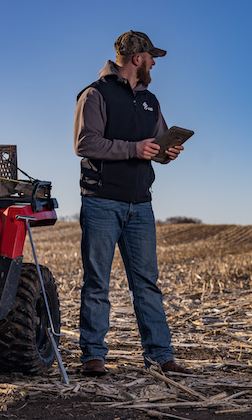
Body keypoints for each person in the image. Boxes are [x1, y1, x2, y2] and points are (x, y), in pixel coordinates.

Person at [73, 30, 189, 376]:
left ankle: (160, 356)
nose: (155, 62)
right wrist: (133, 149)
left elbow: (155, 146)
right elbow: (85, 143)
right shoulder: (95, 94)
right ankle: (93, 356)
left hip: (141, 204)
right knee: (97, 283)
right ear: (137, 58)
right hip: (101, 202)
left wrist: (167, 151)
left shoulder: (151, 101)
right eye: (152, 56)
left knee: (147, 285)